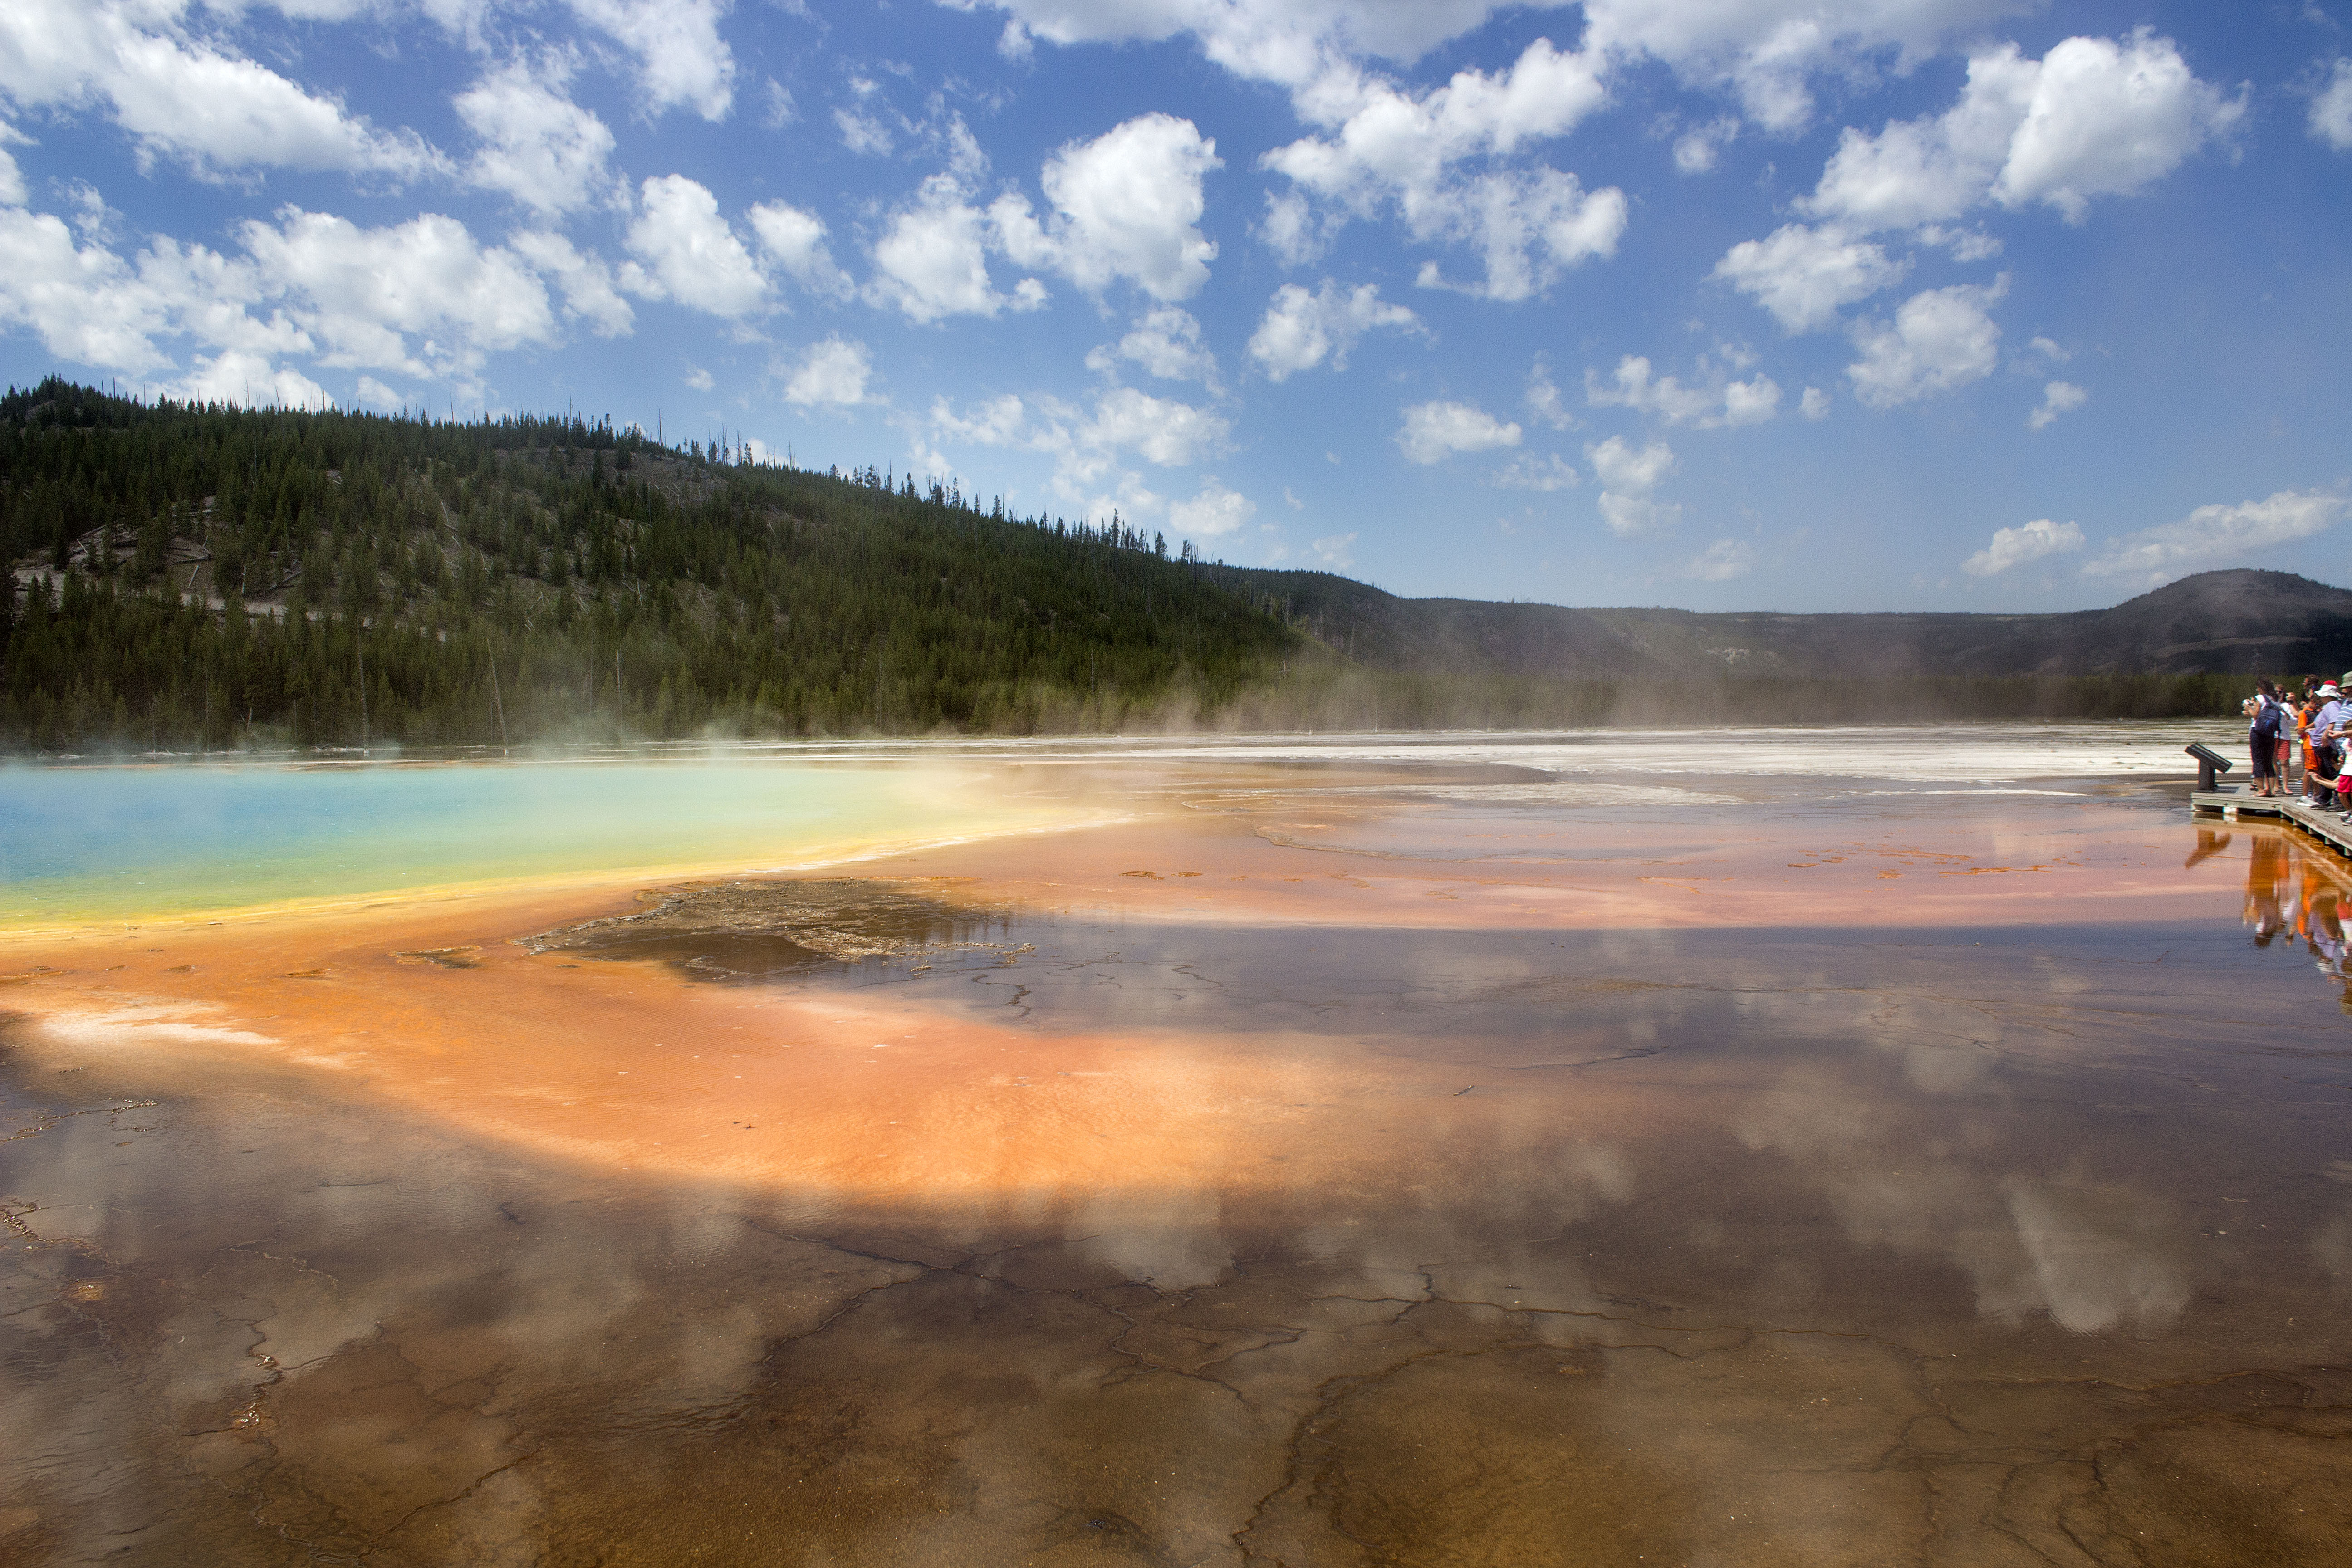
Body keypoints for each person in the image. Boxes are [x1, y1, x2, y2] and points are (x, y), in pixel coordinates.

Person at [2249, 678, 2285, 796]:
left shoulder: (2260, 698)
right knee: (2268, 761)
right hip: (2270, 733)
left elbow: (2255, 715)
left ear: (2261, 688)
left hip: (2258, 731)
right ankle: (2270, 790)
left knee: (2258, 760)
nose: (2257, 690)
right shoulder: (2275, 700)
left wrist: (2248, 707)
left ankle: (2260, 789)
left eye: (2258, 688)